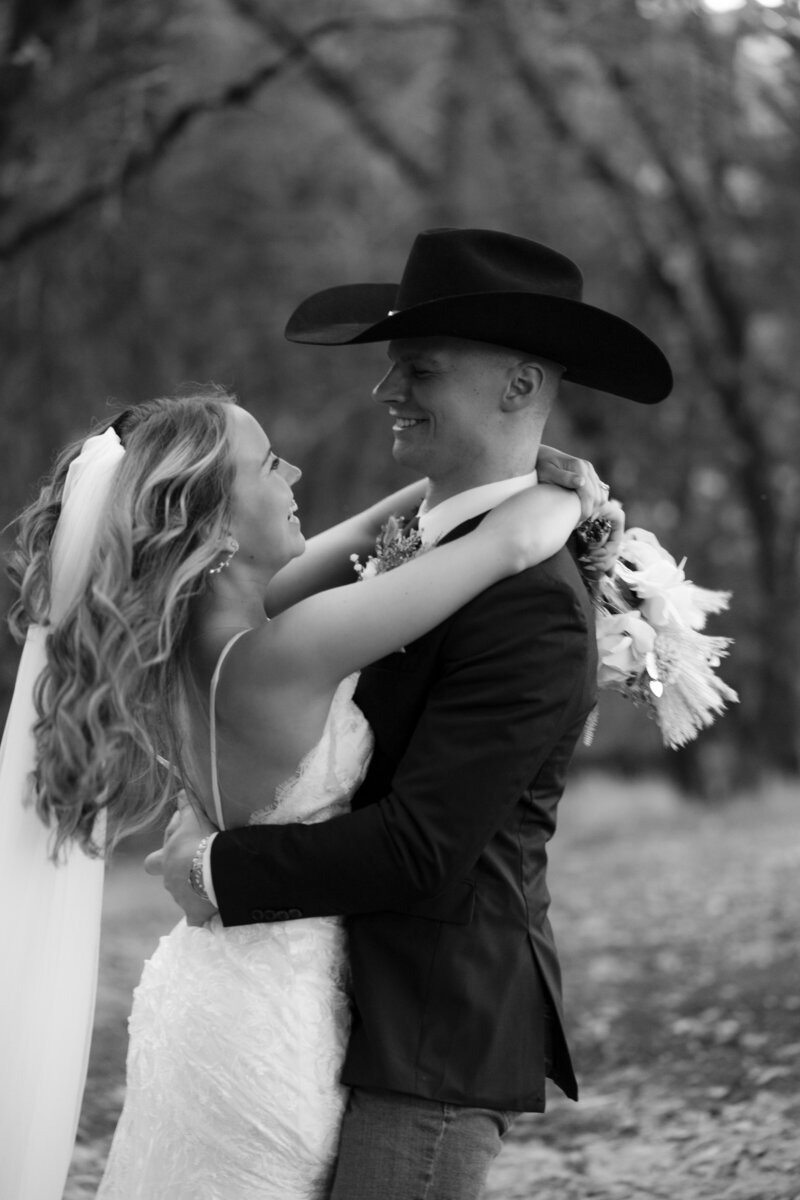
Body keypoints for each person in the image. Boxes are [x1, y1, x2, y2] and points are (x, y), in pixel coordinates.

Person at [157, 228, 672, 1199]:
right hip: (333, 1010)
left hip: (432, 1034)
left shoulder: (529, 597)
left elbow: (421, 846)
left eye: (417, 369)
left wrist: (215, 869)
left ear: (517, 387)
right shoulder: (421, 551)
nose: (383, 392)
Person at [0, 385, 608, 1200]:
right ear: (215, 524)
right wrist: (571, 500)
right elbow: (506, 545)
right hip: (276, 1024)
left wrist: (513, 467)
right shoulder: (292, 647)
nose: (293, 473)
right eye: (267, 463)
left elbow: (373, 531)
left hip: (207, 995)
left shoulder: (189, 643)